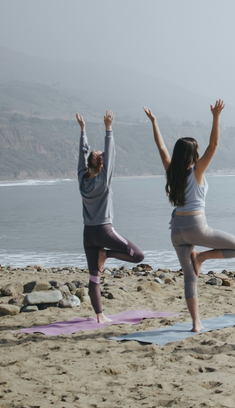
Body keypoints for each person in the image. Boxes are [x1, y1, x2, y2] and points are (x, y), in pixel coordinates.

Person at [144, 101, 235, 333]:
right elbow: (214, 144)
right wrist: (216, 116)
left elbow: (160, 147)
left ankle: (196, 323)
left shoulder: (171, 171)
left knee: (189, 279)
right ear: (194, 153)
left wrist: (154, 122)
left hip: (176, 231)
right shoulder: (197, 171)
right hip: (196, 227)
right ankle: (201, 257)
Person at [76, 110, 145, 323]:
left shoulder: (81, 179)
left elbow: (82, 154)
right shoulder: (104, 180)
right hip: (105, 231)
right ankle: (107, 255)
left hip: (88, 234)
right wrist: (108, 128)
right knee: (138, 256)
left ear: (88, 164)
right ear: (102, 166)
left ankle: (99, 316)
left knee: (93, 277)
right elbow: (111, 152)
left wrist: (83, 131)